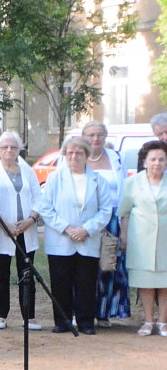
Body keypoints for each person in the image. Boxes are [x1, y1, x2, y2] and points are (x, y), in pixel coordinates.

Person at [36, 135, 114, 335]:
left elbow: (105, 210)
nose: (74, 156)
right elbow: (45, 208)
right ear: (64, 155)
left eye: (79, 152)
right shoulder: (54, 178)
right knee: (60, 282)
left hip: (88, 239)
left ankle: (85, 322)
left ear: (86, 155)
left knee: (86, 282)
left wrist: (86, 229)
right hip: (61, 239)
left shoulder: (98, 180)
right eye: (70, 152)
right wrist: (67, 228)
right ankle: (62, 321)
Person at [0, 131, 44, 331]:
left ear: (19, 149)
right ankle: (0, 315)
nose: (9, 150)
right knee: (1, 273)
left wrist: (31, 219)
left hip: (26, 229)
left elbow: (38, 197)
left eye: (13, 147)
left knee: (27, 273)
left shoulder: (27, 171)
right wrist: (5, 224)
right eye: (5, 147)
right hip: (2, 230)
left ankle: (29, 316)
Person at [83, 121, 130, 325]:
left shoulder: (116, 158)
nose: (96, 139)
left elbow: (124, 195)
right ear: (84, 136)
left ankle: (103, 313)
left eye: (100, 135)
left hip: (112, 219)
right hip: (85, 219)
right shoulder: (77, 156)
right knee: (85, 266)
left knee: (109, 268)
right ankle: (82, 311)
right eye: (91, 135)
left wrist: (124, 230)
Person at [118, 139, 167, 335]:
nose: (157, 163)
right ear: (144, 161)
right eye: (153, 159)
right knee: (145, 282)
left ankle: (162, 322)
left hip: (165, 240)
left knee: (165, 283)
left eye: (162, 159)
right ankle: (148, 321)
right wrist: (123, 237)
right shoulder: (132, 183)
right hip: (141, 240)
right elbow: (125, 212)